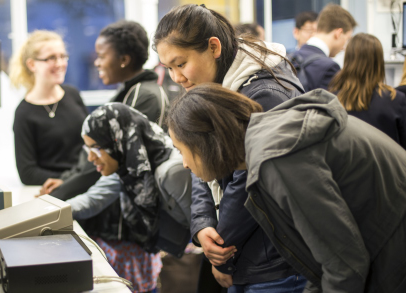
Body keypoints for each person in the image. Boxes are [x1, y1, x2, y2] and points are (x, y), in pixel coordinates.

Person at [167, 83, 406, 293]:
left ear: (207, 142)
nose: (185, 164)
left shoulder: (277, 160)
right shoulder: (269, 137)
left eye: (181, 150)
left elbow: (344, 264)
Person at [154, 4, 305, 292]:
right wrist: (203, 222)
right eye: (168, 68)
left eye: (181, 63)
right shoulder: (214, 83)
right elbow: (202, 156)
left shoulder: (264, 95)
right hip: (249, 252)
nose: (176, 77)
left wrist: (222, 249)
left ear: (213, 47)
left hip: (276, 258)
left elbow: (249, 183)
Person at [66, 102, 191, 292]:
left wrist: (220, 266)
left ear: (116, 140)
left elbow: (201, 221)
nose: (91, 158)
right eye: (87, 149)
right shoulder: (128, 166)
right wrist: (54, 211)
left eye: (96, 147)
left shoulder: (170, 171)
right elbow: (93, 199)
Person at [40, 20, 169, 199]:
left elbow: (110, 160)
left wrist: (59, 196)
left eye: (101, 56)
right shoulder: (125, 92)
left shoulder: (144, 96)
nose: (97, 63)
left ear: (124, 60)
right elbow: (94, 153)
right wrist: (66, 180)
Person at [10, 30, 88, 185]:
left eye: (62, 56)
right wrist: (68, 181)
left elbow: (91, 144)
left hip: (86, 182)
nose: (60, 64)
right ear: (32, 64)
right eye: (51, 58)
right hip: (57, 191)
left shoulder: (72, 94)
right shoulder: (24, 113)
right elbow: (28, 173)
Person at [329, 33, 406, 149]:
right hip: (384, 166)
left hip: (343, 166)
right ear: (379, 62)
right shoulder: (395, 100)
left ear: (348, 60)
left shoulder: (331, 101)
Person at [288, 4, 356, 91]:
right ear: (338, 33)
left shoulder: (290, 57)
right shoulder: (330, 68)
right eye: (347, 39)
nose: (344, 48)